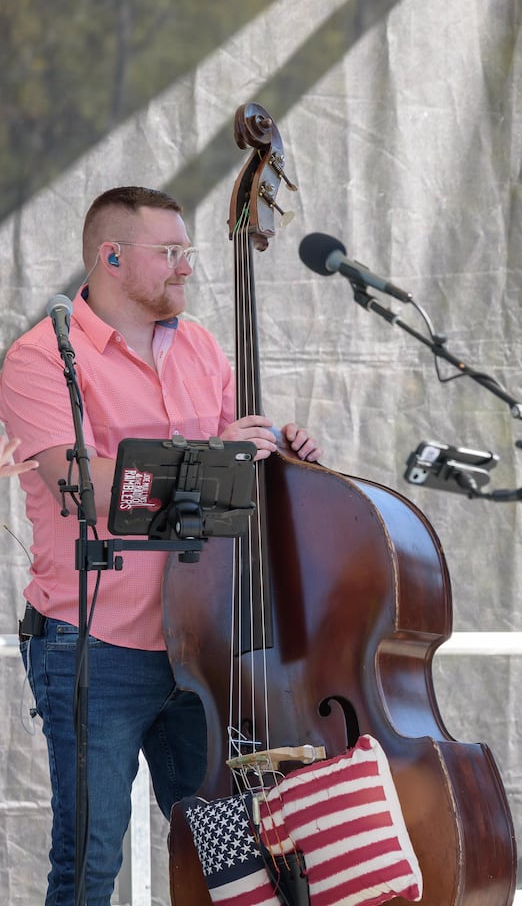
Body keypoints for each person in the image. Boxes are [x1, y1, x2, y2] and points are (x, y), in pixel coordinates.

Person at [0, 185, 323, 905]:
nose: (186, 267)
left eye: (189, 251)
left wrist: (278, 449)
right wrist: (214, 453)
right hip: (95, 645)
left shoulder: (202, 344)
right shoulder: (39, 358)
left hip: (203, 644)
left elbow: (231, 482)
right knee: (88, 864)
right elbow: (82, 489)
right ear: (112, 257)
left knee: (233, 858)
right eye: (170, 252)